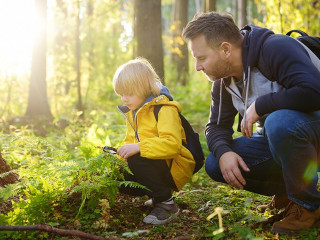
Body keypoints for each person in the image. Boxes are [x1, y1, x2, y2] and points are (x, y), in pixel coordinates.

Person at [182, 12, 320, 234]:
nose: (198, 67)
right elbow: (216, 127)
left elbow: (313, 91)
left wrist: (260, 105)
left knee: (277, 122)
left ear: (225, 49)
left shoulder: (275, 48)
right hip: (286, 137)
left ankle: (308, 205)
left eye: (201, 58)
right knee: (215, 163)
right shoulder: (223, 81)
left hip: (311, 129)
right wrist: (224, 151)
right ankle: (290, 193)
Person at [112, 58, 195, 225]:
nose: (124, 99)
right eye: (121, 94)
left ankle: (166, 204)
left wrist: (138, 148)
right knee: (117, 177)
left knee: (136, 158)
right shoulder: (133, 112)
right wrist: (116, 163)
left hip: (174, 166)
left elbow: (171, 145)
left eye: (129, 94)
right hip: (156, 163)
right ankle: (157, 195)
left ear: (144, 88)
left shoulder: (164, 109)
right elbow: (130, 141)